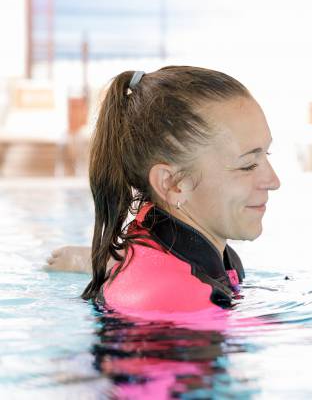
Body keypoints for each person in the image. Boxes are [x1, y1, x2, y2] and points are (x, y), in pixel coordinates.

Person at [50, 66, 280, 311]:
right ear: (171, 183)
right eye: (247, 165)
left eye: (266, 154)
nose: (274, 181)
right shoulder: (180, 297)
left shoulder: (205, 255)